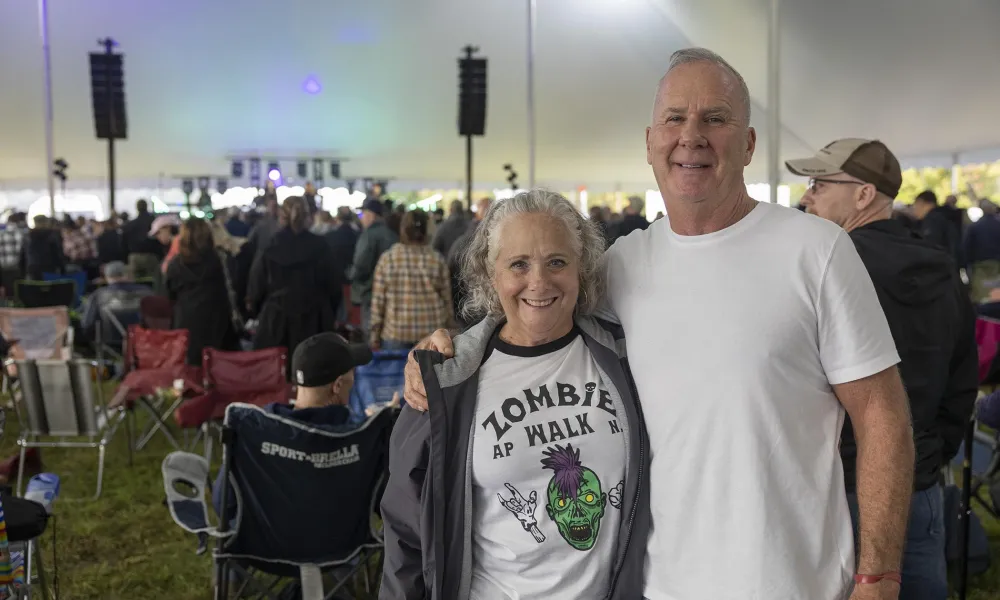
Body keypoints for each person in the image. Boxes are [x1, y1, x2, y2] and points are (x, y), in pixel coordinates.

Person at [402, 47, 914, 600]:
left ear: (747, 145)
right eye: (675, 118)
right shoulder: (620, 266)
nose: (691, 136)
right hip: (658, 586)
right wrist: (448, 349)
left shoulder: (818, 251)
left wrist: (878, 575)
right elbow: (533, 309)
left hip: (794, 583)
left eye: (715, 119)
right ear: (650, 143)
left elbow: (883, 415)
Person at [381, 190, 649, 599]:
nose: (538, 282)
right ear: (492, 275)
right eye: (518, 264)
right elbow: (405, 534)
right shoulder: (446, 381)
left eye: (556, 262)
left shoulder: (626, 359)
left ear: (582, 269)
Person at [789, 138, 978, 600]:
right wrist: (930, 454)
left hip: (841, 490)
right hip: (921, 487)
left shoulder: (827, 267)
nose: (807, 196)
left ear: (863, 194)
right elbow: (964, 377)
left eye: (818, 184)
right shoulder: (941, 265)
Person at [213, 331, 374, 516]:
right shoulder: (359, 437)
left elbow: (223, 504)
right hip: (344, 544)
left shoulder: (255, 430)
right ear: (337, 385)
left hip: (264, 543)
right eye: (352, 372)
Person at [248, 196, 340, 379]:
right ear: (307, 216)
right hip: (315, 319)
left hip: (276, 319)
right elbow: (334, 287)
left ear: (281, 215)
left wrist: (257, 312)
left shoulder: (271, 245)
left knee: (276, 377)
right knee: (314, 376)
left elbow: (255, 286)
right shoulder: (321, 246)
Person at [369, 209, 452, 351]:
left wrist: (375, 335)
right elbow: (446, 300)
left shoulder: (388, 259)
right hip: (431, 333)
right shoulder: (436, 259)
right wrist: (450, 330)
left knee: (397, 373)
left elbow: (378, 302)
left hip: (396, 332)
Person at [165, 218, 240, 366]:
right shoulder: (219, 260)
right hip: (218, 322)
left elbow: (169, 296)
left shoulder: (175, 265)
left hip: (186, 323)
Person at [350, 199, 398, 331]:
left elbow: (360, 265)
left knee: (371, 334)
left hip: (369, 293)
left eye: (362, 214)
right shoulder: (393, 234)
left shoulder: (368, 235)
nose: (361, 219)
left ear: (371, 215)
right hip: (391, 293)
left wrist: (350, 274)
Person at [80, 260, 152, 335]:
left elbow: (87, 324)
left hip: (110, 345)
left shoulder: (98, 295)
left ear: (106, 276)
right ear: (127, 274)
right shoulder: (147, 292)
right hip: (143, 342)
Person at [962, 197, 1000, 303]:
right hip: (997, 266)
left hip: (979, 266)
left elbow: (967, 248)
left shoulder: (974, 227)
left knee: (980, 296)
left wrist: (965, 265)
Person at [912, 190, 961, 265]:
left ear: (924, 203)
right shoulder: (944, 217)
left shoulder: (932, 221)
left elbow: (931, 248)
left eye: (916, 204)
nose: (914, 208)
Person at [121, 199, 160, 280]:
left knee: (134, 283)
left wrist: (125, 258)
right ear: (146, 207)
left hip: (134, 257)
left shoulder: (130, 225)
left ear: (137, 208)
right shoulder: (154, 222)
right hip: (152, 257)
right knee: (154, 281)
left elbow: (123, 243)